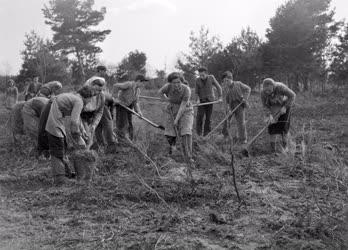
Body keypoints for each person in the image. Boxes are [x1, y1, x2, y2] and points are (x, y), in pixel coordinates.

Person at [38, 85, 98, 185]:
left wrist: (82, 131)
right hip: (54, 116)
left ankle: (65, 173)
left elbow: (76, 118)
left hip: (53, 111)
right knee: (57, 147)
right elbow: (74, 123)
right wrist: (78, 138)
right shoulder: (79, 102)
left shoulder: (75, 97)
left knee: (61, 146)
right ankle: (59, 178)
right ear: (88, 97)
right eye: (91, 99)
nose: (90, 101)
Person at [158, 72, 194, 161]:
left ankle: (189, 156)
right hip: (172, 108)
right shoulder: (167, 87)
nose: (176, 84)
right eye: (174, 83)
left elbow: (182, 106)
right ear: (170, 83)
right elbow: (160, 92)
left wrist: (176, 120)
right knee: (169, 132)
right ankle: (173, 149)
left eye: (178, 82)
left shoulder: (187, 90)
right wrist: (166, 101)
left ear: (182, 81)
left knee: (186, 131)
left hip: (186, 110)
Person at [261, 78, 296, 152]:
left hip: (284, 105)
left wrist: (285, 107)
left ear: (273, 87)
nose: (268, 92)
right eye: (266, 91)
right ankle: (272, 149)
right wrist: (269, 115)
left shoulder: (280, 87)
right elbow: (265, 105)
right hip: (273, 107)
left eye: (269, 90)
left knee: (284, 126)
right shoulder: (263, 93)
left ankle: (285, 147)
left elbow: (292, 96)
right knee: (271, 126)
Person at [113, 74, 148, 141]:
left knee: (130, 125)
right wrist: (115, 98)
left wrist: (139, 111)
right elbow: (115, 86)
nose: (143, 84)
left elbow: (136, 102)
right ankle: (120, 139)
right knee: (123, 124)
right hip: (121, 106)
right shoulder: (129, 84)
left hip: (129, 106)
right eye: (143, 82)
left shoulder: (138, 91)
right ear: (138, 81)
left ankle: (130, 141)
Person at [221, 71, 251, 144]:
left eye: (227, 80)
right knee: (226, 121)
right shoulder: (224, 89)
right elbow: (225, 100)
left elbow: (248, 89)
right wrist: (227, 109)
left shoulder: (238, 84)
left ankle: (243, 139)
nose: (226, 82)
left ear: (231, 79)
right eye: (224, 81)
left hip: (240, 105)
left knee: (241, 123)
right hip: (230, 106)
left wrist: (245, 98)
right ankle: (226, 136)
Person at [195, 67, 222, 136]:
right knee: (200, 116)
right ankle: (199, 134)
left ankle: (206, 134)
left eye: (203, 75)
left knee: (208, 118)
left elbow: (219, 87)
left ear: (206, 74)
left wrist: (220, 97)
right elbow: (196, 92)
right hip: (201, 101)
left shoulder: (211, 78)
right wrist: (197, 100)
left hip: (210, 101)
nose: (201, 77)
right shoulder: (197, 80)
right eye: (200, 75)